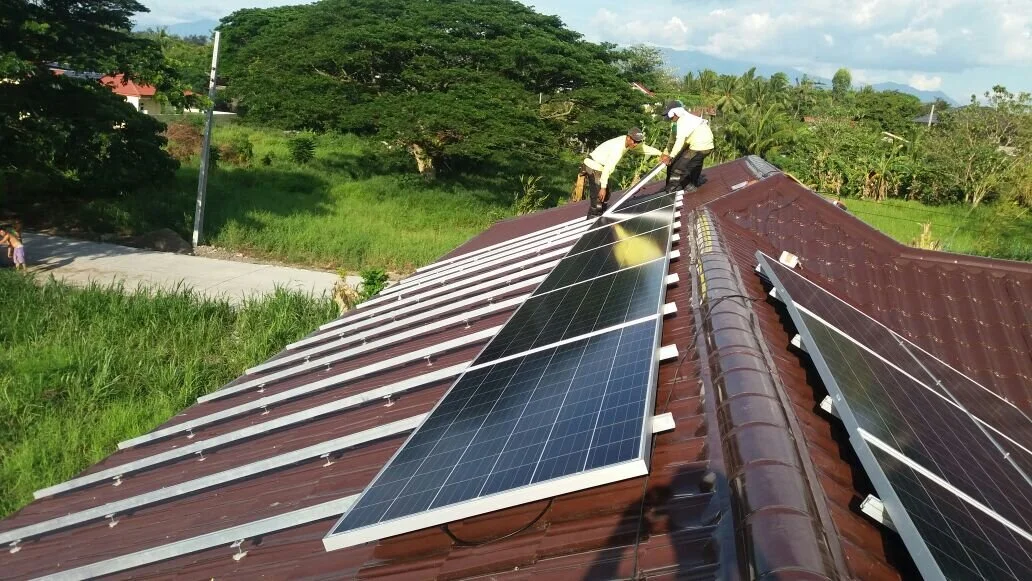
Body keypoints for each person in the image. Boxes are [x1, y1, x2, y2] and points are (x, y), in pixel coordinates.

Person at [579, 127, 662, 217]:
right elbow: (608, 168)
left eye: (638, 142)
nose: (635, 144)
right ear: (628, 137)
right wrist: (602, 187)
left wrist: (660, 153)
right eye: (634, 141)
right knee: (598, 200)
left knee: (606, 196)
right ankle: (593, 219)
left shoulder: (628, 143)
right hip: (594, 165)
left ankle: (601, 215)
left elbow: (642, 148)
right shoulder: (618, 148)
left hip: (600, 166)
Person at [660, 101, 714, 193]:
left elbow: (679, 141)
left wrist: (671, 156)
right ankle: (692, 183)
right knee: (693, 165)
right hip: (705, 146)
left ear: (675, 113)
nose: (669, 118)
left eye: (669, 115)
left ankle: (673, 191)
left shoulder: (682, 121)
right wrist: (666, 153)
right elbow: (673, 140)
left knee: (678, 170)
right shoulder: (686, 118)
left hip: (699, 147)